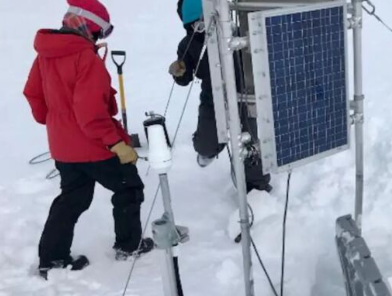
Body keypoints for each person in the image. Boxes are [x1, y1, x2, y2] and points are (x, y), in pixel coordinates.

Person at [23, 0, 154, 279]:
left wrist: (57, 122)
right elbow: (90, 112)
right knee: (129, 188)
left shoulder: (45, 54)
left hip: (63, 146)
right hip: (94, 145)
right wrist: (116, 143)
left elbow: (33, 93)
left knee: (73, 197)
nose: (99, 39)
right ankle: (128, 246)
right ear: (90, 28)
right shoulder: (85, 58)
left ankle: (53, 257)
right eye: (100, 33)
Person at [169, 0, 272, 193]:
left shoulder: (236, 36)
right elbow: (185, 76)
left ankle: (256, 184)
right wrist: (180, 72)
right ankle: (212, 147)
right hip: (212, 97)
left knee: (249, 141)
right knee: (205, 144)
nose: (201, 30)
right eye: (195, 26)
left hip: (244, 95)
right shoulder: (187, 45)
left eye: (204, 23)